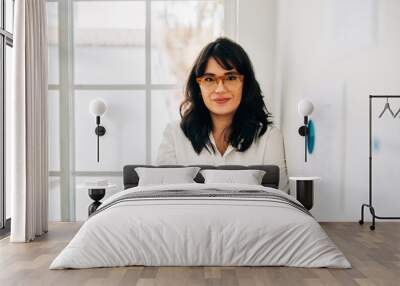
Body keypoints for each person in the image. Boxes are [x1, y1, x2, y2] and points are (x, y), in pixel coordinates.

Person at [156, 37, 289, 192]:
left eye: (231, 78)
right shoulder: (174, 135)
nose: (220, 89)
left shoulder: (269, 139)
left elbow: (281, 203)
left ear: (245, 84)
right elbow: (162, 200)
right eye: (209, 79)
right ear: (198, 87)